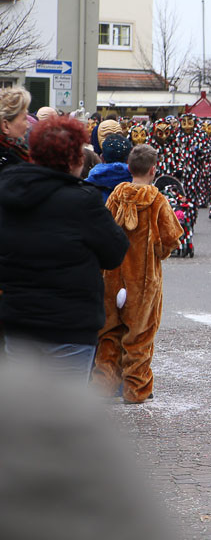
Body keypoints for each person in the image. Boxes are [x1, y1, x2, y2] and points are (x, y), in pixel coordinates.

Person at [0, 116, 129, 381]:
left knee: (21, 412)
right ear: (73, 160)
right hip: (70, 326)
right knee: (62, 416)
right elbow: (115, 251)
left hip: (18, 320)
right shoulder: (83, 201)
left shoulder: (9, 193)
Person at [91, 144, 184, 404]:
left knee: (109, 335)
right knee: (140, 337)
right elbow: (170, 238)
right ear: (154, 169)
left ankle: (102, 386)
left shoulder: (117, 195)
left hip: (113, 274)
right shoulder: (156, 200)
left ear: (129, 168)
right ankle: (136, 389)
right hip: (142, 280)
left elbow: (104, 229)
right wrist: (159, 251)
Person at [0, 86, 30, 173]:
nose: (28, 126)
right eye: (24, 118)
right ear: (6, 126)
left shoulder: (17, 153)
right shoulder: (11, 164)